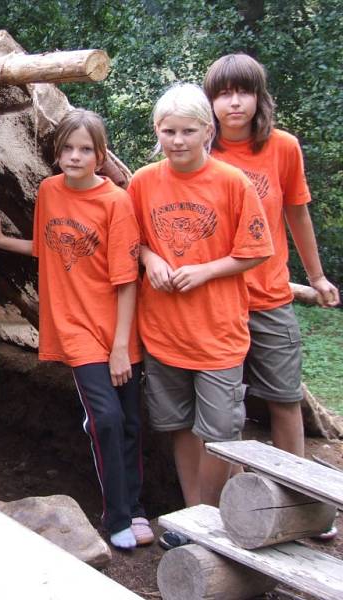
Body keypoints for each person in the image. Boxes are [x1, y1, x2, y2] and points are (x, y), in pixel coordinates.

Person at [0, 108, 153, 550]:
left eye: (85, 150)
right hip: (74, 326)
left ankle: (136, 509)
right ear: (56, 152)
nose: (75, 157)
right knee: (107, 418)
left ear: (100, 156)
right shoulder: (49, 190)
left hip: (116, 326)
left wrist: (120, 347)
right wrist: (3, 242)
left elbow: (126, 280)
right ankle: (116, 517)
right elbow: (47, 248)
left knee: (130, 422)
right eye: (67, 148)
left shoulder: (116, 201)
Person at [127, 83, 274, 549]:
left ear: (207, 131)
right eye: (169, 131)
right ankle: (193, 519)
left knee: (220, 432)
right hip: (164, 331)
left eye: (188, 130)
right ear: (157, 131)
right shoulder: (143, 182)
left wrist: (206, 271)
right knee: (179, 427)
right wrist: (151, 260)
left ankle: (210, 516)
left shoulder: (232, 183)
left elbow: (256, 251)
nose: (178, 140)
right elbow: (131, 241)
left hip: (218, 333)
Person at [203, 53, 340, 539]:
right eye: (223, 92)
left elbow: (298, 214)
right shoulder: (201, 149)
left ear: (259, 98)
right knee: (227, 407)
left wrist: (318, 276)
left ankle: (301, 500)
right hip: (215, 302)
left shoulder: (283, 148)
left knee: (284, 400)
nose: (234, 102)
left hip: (271, 294)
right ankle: (239, 508)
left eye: (244, 91)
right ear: (211, 101)